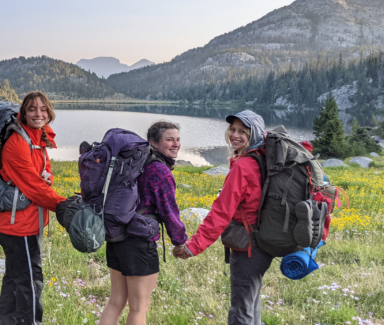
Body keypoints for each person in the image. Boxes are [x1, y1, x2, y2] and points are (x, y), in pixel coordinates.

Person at [177, 110, 273, 325]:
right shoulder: (262, 158)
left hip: (248, 247)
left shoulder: (244, 166)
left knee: (241, 312)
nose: (234, 135)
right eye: (232, 129)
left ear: (254, 134)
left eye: (242, 132)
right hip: (263, 243)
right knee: (251, 304)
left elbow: (221, 213)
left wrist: (194, 246)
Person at [100, 121, 188, 325]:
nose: (175, 144)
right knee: (139, 308)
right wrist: (179, 241)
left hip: (117, 237)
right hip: (139, 243)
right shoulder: (159, 171)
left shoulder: (135, 164)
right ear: (154, 143)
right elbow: (169, 211)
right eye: (169, 140)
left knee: (115, 302)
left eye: (177, 139)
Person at [0, 91, 66, 325]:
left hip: (28, 222)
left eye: (43, 109)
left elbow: (43, 176)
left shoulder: (36, 139)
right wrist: (63, 206)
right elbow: (35, 188)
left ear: (49, 112)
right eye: (33, 109)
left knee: (14, 280)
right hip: (19, 226)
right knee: (30, 281)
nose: (39, 113)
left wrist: (47, 180)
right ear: (23, 113)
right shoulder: (17, 143)